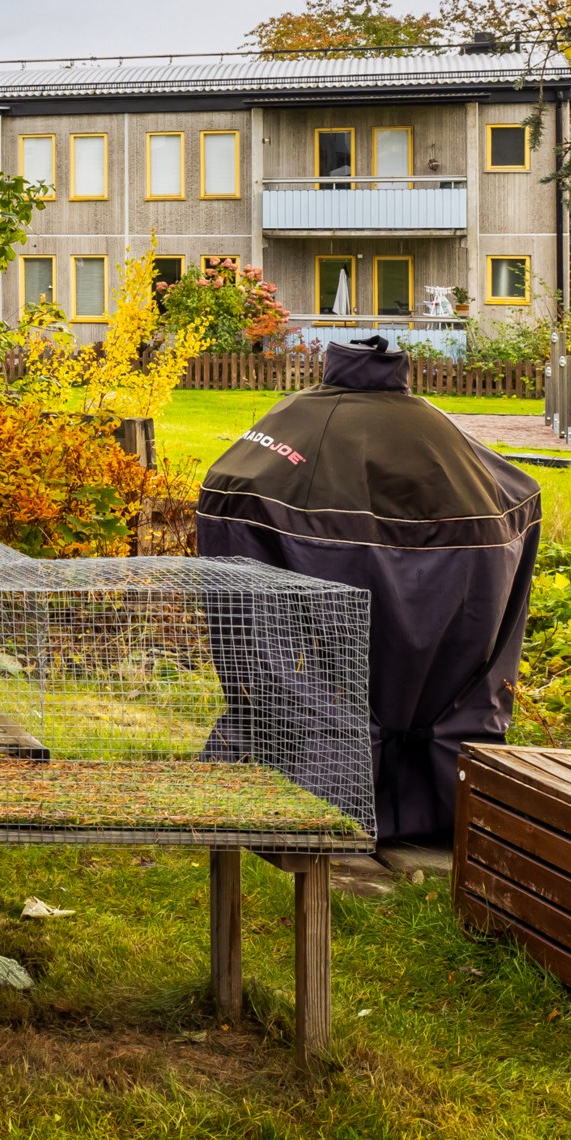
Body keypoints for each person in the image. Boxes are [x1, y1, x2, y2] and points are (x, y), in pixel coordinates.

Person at [196, 336, 541, 845]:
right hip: (439, 751)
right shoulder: (445, 446)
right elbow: (517, 491)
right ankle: (419, 792)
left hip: (307, 752)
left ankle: (335, 779)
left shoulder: (289, 432)